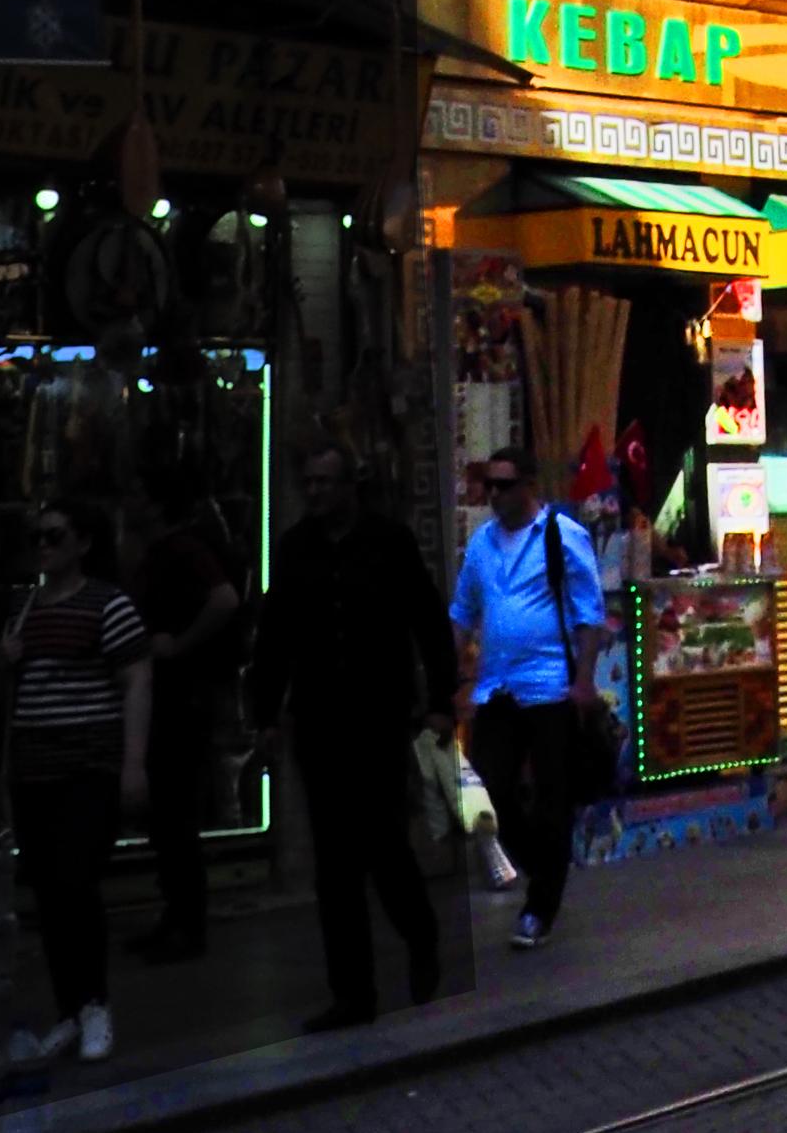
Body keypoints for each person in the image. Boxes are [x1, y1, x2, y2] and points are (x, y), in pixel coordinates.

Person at [242, 438, 455, 1031]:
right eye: (308, 483)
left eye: (324, 483)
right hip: (319, 722)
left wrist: (440, 701)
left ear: (349, 485)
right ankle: (352, 992)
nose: (314, 493)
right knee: (334, 864)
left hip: (378, 719)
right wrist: (264, 715)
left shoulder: (388, 543)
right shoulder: (295, 549)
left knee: (385, 847)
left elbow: (427, 622)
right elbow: (275, 636)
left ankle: (421, 936)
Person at [0, 492, 148, 1057]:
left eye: (55, 535)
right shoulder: (27, 610)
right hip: (37, 771)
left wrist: (131, 764)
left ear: (82, 543)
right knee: (48, 891)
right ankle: (69, 1006)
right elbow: (18, 694)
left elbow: (137, 679)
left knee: (75, 883)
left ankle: (93, 1004)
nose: (43, 545)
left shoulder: (107, 606)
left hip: (86, 766)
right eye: (38, 536)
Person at [451, 445, 607, 957]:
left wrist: (583, 681)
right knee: (487, 791)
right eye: (487, 486)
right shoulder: (481, 545)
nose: (493, 495)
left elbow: (588, 614)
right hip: (497, 686)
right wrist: (445, 675)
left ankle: (540, 907)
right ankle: (547, 867)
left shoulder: (562, 538)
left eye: (502, 485)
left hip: (550, 687)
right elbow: (462, 612)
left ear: (527, 485)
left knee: (552, 798)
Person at [127, 497, 245, 966]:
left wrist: (178, 645)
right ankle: (178, 916)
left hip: (180, 696)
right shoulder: (172, 550)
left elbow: (224, 599)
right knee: (169, 815)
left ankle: (186, 922)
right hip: (176, 693)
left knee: (175, 814)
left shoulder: (180, 550)